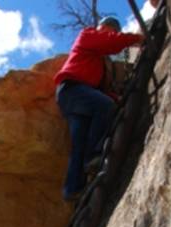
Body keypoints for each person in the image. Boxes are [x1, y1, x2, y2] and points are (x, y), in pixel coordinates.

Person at [54, 16, 145, 201]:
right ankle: (93, 155)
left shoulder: (99, 63)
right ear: (101, 27)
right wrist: (136, 39)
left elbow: (100, 90)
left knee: (79, 141)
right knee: (105, 106)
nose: (111, 33)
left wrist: (117, 97)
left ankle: (72, 188)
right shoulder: (87, 36)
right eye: (109, 29)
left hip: (78, 96)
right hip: (72, 89)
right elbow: (110, 42)